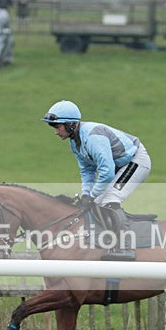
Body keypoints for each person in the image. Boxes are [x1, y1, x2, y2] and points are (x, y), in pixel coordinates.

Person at [41, 100, 152, 261]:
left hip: (135, 161)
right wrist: (86, 195)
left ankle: (125, 247)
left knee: (110, 200)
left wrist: (91, 196)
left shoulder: (93, 137)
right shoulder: (75, 142)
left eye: (57, 127)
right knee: (97, 203)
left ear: (71, 125)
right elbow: (87, 170)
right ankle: (105, 243)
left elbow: (106, 172)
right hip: (118, 165)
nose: (56, 132)